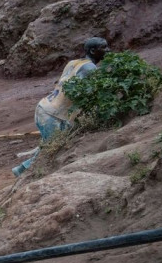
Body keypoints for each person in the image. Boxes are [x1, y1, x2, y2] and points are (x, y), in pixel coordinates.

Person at [13, 37, 109, 176]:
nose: (108, 50)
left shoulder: (73, 62)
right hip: (53, 115)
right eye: (104, 48)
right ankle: (25, 173)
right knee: (52, 150)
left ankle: (21, 170)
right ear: (93, 51)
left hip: (45, 107)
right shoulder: (90, 68)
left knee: (49, 145)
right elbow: (89, 93)